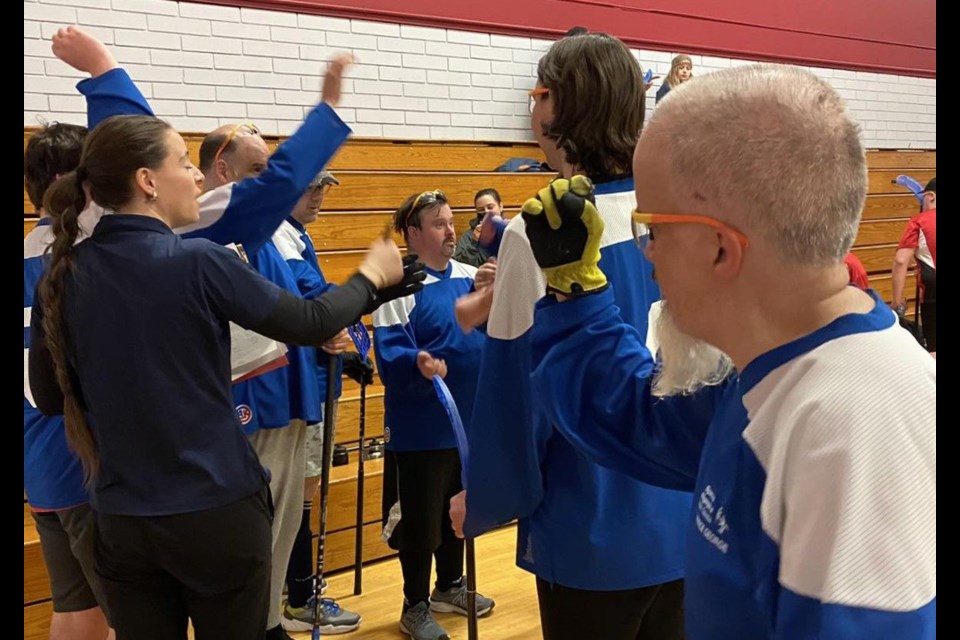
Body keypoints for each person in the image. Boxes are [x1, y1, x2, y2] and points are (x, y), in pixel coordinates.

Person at [505, 64, 936, 639]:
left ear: (719, 248)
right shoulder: (782, 365)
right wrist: (578, 300)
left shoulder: (844, 433)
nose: (647, 253)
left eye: (652, 228)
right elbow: (644, 422)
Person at [28, 115, 416, 640]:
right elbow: (311, 322)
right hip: (214, 510)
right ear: (147, 182)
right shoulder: (199, 261)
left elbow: (51, 397)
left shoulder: (64, 273)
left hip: (121, 518)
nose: (195, 176)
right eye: (184, 163)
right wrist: (371, 276)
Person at [453, 33, 691, 640]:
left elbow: (516, 392)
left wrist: (485, 496)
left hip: (591, 520)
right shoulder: (677, 209)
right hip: (689, 505)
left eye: (536, 93)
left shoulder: (538, 229)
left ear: (555, 106)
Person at [373, 190, 495, 640]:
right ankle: (414, 604)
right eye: (439, 224)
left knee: (457, 513)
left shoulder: (470, 275)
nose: (450, 231)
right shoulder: (398, 285)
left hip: (469, 422)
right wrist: (417, 363)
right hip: (420, 428)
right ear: (412, 233)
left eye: (450, 221)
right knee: (422, 521)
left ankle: (449, 586)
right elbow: (390, 353)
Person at [271, 169, 371, 634]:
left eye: (323, 189)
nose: (319, 198)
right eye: (311, 188)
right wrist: (369, 288)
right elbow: (310, 297)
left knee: (304, 491)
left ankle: (297, 594)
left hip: (315, 378)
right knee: (299, 494)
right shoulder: (279, 235)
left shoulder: (296, 234)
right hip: (299, 386)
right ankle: (298, 597)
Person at [24, 121, 114, 640]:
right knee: (134, 615)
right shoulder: (76, 260)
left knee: (76, 611)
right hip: (85, 465)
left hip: (42, 467)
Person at [891, 177, 936, 351]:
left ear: (931, 196)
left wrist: (897, 301)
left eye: (923, 197)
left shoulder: (919, 221)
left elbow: (900, 261)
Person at [452, 188, 503, 267]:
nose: (486, 212)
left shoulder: (511, 230)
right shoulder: (469, 236)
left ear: (500, 206)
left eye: (490, 207)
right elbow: (461, 267)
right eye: (481, 209)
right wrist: (474, 242)